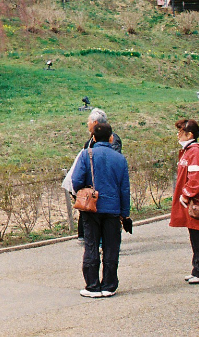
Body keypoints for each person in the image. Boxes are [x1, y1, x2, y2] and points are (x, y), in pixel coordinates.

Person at [71, 123, 131, 298]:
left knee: (91, 245)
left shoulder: (85, 155)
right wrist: (124, 213)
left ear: (93, 138)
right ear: (111, 138)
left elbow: (76, 181)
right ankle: (109, 285)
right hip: (112, 208)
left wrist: (85, 191)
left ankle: (92, 285)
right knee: (111, 247)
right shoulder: (120, 159)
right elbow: (124, 188)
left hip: (92, 208)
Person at [170, 118, 199, 284]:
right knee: (194, 235)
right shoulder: (188, 151)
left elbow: (196, 178)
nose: (178, 135)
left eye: (180, 132)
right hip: (191, 201)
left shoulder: (195, 152)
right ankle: (198, 268)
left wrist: (186, 194)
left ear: (189, 134)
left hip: (197, 201)